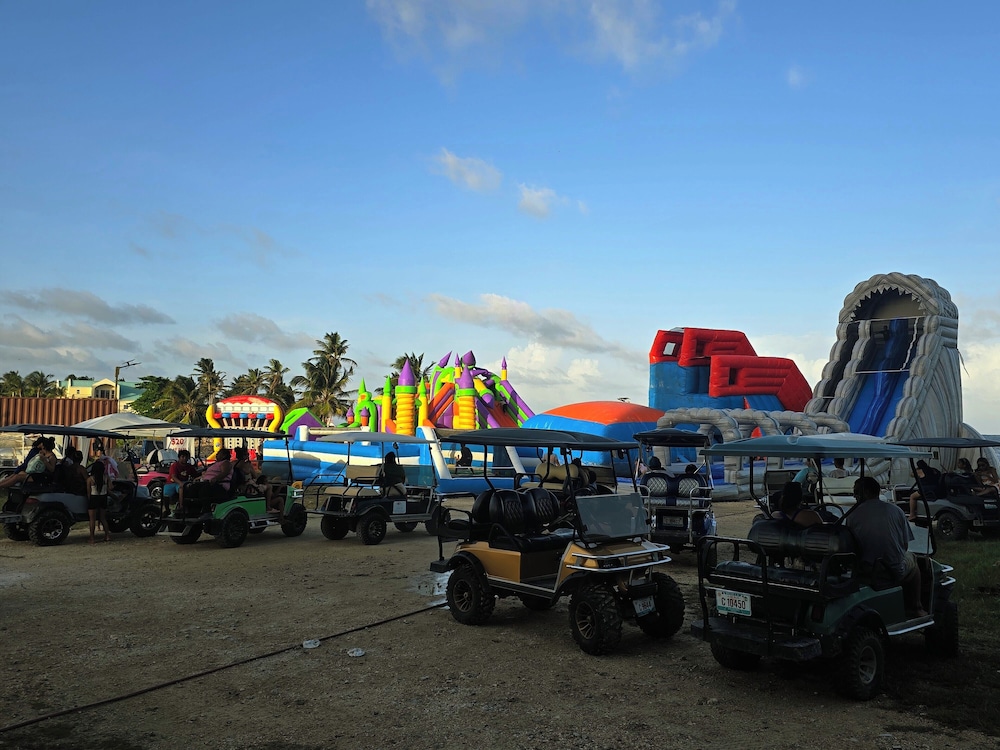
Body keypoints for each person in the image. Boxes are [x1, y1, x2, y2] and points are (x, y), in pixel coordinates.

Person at [846, 476, 926, 617]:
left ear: (867, 492)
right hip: (891, 570)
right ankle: (916, 607)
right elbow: (904, 546)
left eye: (857, 492)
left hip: (864, 571)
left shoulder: (852, 515)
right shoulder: (896, 510)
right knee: (912, 559)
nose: (854, 496)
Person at [177, 448, 234, 518]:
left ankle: (207, 511)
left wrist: (215, 479)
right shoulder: (215, 464)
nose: (216, 455)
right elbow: (206, 475)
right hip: (207, 483)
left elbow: (224, 473)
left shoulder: (226, 463)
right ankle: (190, 511)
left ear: (224, 455)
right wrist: (197, 479)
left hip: (219, 485)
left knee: (204, 489)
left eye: (218, 453)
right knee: (191, 488)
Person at [87, 459, 111, 544]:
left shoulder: (90, 479)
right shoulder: (106, 477)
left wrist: (89, 501)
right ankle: (107, 535)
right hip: (103, 497)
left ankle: (92, 538)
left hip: (94, 498)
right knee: (103, 518)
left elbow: (88, 492)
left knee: (92, 519)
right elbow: (111, 487)